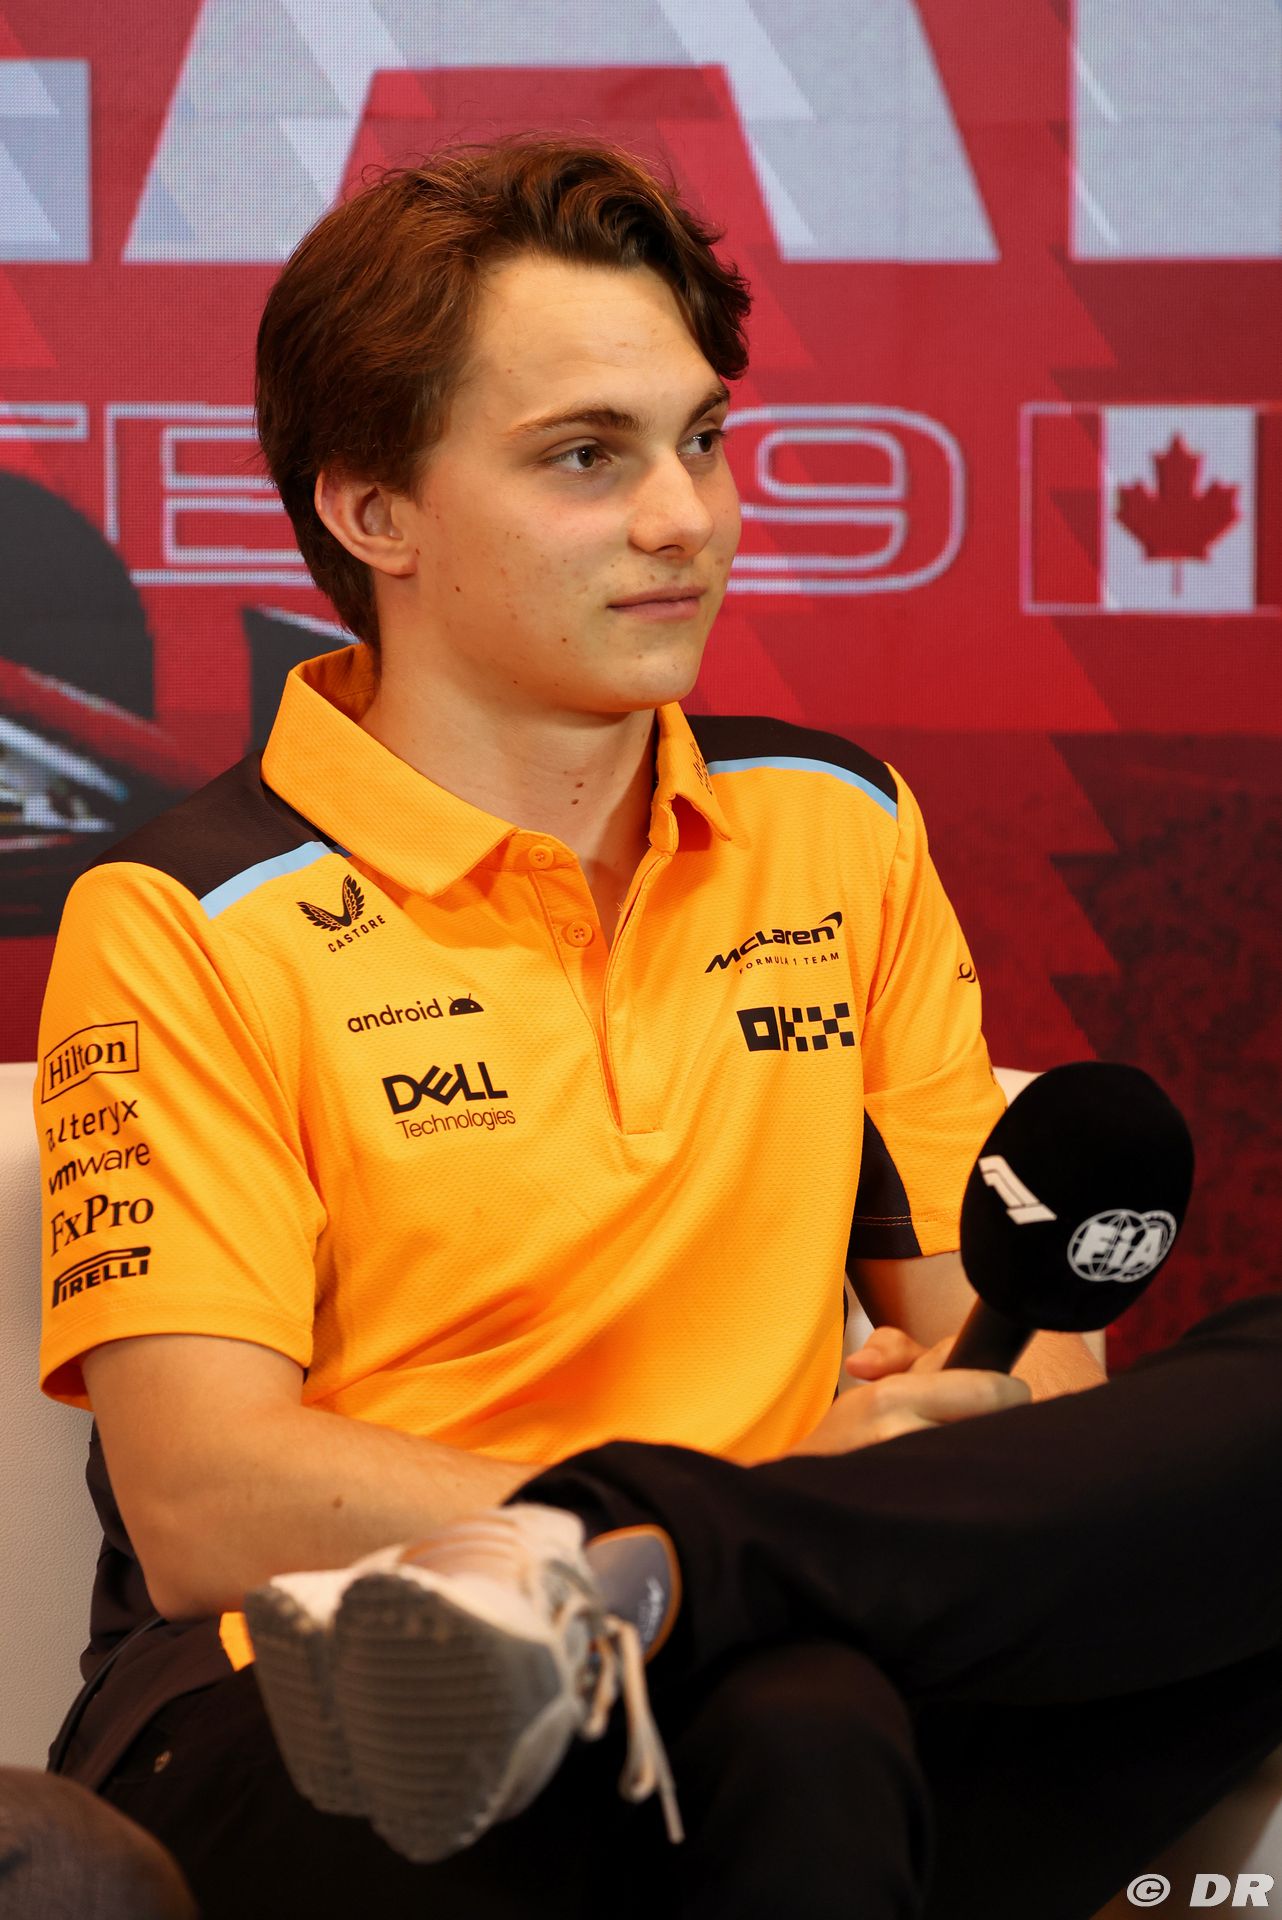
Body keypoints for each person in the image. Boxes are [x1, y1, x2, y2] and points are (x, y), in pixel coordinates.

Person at [32, 134, 1282, 1920]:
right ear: (373, 510)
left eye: (699, 438)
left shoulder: (834, 827)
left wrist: (920, 1443)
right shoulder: (184, 909)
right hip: (316, 1706)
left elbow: (1020, 1392)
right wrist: (772, 1497)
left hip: (818, 1651)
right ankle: (690, 1564)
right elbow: (207, 1504)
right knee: (793, 1726)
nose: (685, 517)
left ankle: (694, 1565)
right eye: (584, 457)